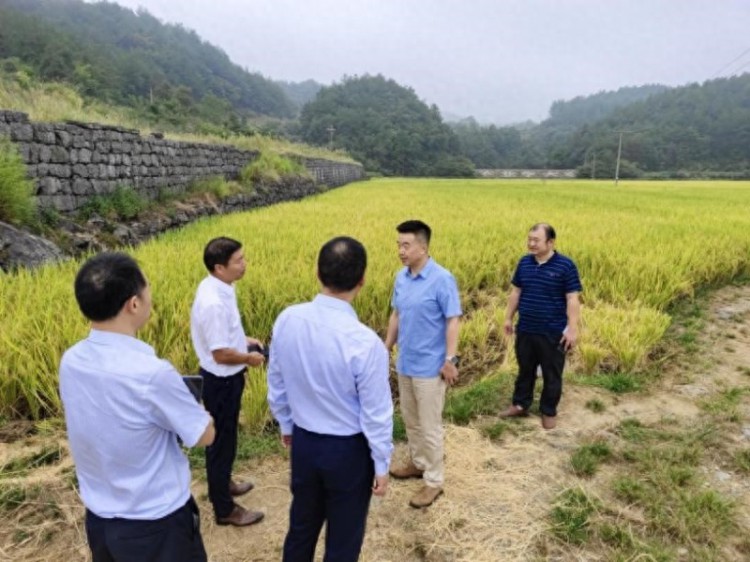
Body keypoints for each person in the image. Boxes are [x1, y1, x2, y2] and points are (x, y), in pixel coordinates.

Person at [60, 252, 215, 562]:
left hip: (100, 521)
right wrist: (203, 415)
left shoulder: (71, 360)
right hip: (156, 525)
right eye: (146, 289)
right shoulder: (152, 374)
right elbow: (203, 436)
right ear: (133, 304)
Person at [267, 236, 393, 562]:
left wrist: (285, 422)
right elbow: (376, 413)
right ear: (362, 280)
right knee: (343, 540)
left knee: (301, 527)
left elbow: (277, 380)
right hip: (348, 453)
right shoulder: (366, 344)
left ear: (317, 273)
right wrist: (381, 464)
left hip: (305, 443)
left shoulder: (288, 319)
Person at [385, 220, 462, 509]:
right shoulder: (401, 278)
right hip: (406, 362)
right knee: (411, 419)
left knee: (430, 426)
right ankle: (418, 463)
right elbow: (396, 315)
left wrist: (450, 359)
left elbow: (453, 319)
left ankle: (434, 481)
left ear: (423, 247)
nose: (400, 251)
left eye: (406, 245)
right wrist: (386, 347)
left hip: (430, 367)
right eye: (398, 245)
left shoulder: (442, 279)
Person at [190, 236, 265, 527]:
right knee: (221, 443)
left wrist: (244, 340)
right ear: (220, 267)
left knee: (227, 438)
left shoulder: (220, 286)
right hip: (220, 381)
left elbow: (223, 336)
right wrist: (249, 358)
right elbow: (220, 354)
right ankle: (225, 510)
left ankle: (223, 484)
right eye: (239, 261)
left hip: (226, 378)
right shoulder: (212, 302)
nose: (244, 264)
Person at [500, 223, 582, 429]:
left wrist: (572, 328)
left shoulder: (566, 266)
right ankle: (520, 404)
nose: (531, 243)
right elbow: (516, 293)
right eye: (529, 239)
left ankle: (548, 410)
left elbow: (572, 299)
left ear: (551, 242)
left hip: (553, 331)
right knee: (525, 370)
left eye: (536, 240)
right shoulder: (525, 263)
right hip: (526, 328)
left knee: (551, 373)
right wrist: (508, 318)